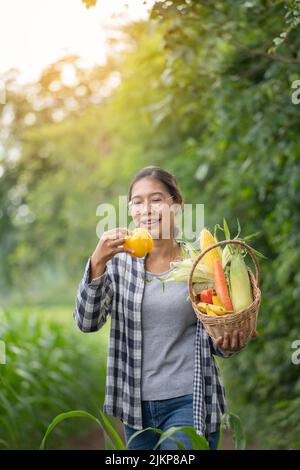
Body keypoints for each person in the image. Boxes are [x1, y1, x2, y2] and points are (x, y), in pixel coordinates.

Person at [74, 166, 256, 450]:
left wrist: (229, 342)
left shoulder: (199, 266)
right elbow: (87, 322)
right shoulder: (118, 265)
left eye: (156, 199)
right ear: (131, 210)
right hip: (135, 405)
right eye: (138, 201)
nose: (146, 209)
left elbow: (219, 337)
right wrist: (97, 263)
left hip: (190, 399)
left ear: (177, 205)